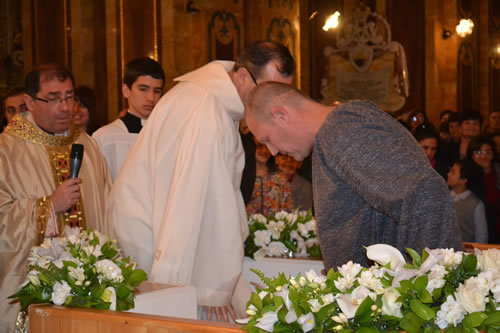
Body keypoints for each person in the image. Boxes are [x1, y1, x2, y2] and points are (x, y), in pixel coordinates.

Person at [107, 41, 295, 321]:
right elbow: (186, 207)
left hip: (163, 241)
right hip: (153, 246)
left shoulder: (214, 102)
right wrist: (199, 293)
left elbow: (221, 201)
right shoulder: (204, 110)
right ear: (243, 76)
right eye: (268, 90)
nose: (272, 103)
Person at [245, 82, 463, 270]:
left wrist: (425, 283)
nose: (272, 151)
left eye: (266, 138)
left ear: (280, 115)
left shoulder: (342, 129)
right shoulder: (339, 130)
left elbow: (426, 193)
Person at [0, 64, 111, 332]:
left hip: (89, 292)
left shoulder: (87, 145)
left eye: (69, 97)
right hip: (33, 293)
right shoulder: (7, 150)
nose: (64, 107)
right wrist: (48, 207)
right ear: (29, 101)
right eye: (52, 98)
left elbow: (108, 209)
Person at [92, 57, 165, 180]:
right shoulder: (105, 138)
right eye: (143, 89)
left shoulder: (168, 135)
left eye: (157, 91)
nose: (151, 98)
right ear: (126, 91)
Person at [466, 136, 500, 243]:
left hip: (495, 223)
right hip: (472, 224)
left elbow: (493, 199)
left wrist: (488, 171)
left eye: (487, 152)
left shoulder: (497, 171)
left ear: (493, 154)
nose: (483, 156)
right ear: (472, 155)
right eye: (479, 152)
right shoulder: (466, 172)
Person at [246, 141, 293, 216]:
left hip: (273, 226)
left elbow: (287, 209)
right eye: (260, 146)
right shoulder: (243, 175)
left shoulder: (280, 178)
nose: (264, 150)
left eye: (268, 147)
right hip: (246, 225)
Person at [447, 159, 488, 243]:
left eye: (453, 172)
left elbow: (481, 236)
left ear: (463, 180)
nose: (448, 174)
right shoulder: (444, 197)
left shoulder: (475, 204)